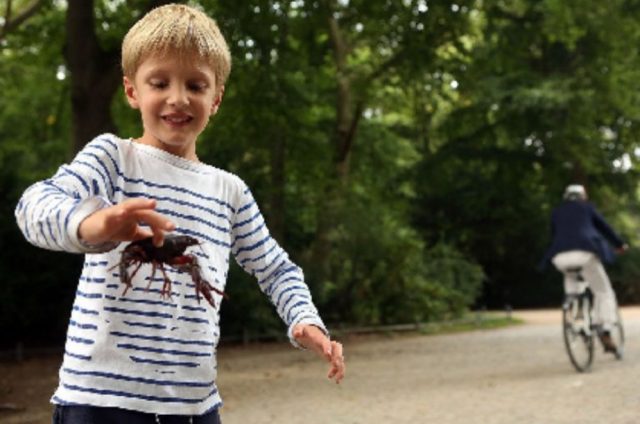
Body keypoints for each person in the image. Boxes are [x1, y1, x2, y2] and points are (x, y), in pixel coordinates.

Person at [14, 4, 344, 423]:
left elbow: (277, 269)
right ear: (132, 90)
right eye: (159, 82)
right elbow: (33, 205)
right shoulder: (113, 159)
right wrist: (93, 224)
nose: (178, 98)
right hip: (98, 400)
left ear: (216, 98)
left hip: (193, 406)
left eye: (195, 84)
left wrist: (304, 320)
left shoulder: (230, 192)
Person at [540, 184, 627, 352]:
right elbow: (605, 228)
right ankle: (604, 328)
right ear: (583, 196)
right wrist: (620, 244)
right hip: (585, 253)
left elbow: (553, 235)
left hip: (560, 257)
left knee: (572, 283)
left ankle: (574, 313)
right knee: (604, 292)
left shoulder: (557, 212)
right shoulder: (587, 208)